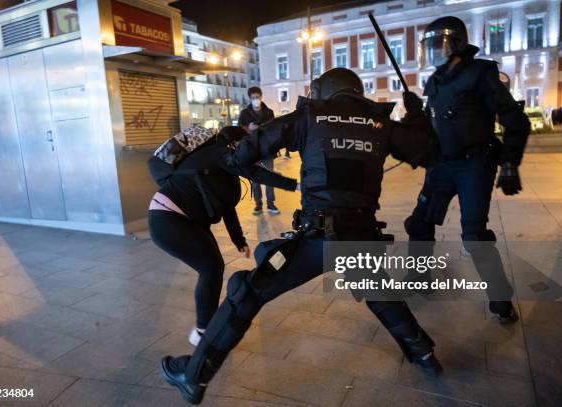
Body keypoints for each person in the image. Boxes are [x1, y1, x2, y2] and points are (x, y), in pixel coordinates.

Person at [160, 68, 442, 405]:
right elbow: (426, 150)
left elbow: (258, 143)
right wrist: (417, 113)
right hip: (361, 236)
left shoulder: (312, 116)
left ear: (326, 90)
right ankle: (424, 355)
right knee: (380, 293)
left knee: (245, 292)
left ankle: (194, 376)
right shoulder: (380, 123)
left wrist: (231, 154)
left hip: (318, 239)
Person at [406, 16, 530, 323]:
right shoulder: (433, 81)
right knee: (419, 224)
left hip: (475, 163)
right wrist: (414, 114)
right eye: (429, 45)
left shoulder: (481, 74)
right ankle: (419, 278)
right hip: (442, 165)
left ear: (456, 43)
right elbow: (431, 127)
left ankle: (500, 299)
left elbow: (516, 120)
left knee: (474, 236)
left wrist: (510, 162)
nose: (433, 50)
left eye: (438, 43)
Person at [148, 126, 297, 346]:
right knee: (211, 269)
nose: (251, 153)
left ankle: (205, 327)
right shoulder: (217, 154)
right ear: (235, 145)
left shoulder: (222, 166)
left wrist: (239, 241)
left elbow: (227, 207)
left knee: (213, 268)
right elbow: (256, 174)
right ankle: (202, 333)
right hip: (168, 219)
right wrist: (295, 185)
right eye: (247, 146)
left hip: (188, 221)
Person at [238, 86, 280, 215]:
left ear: (261, 97)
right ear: (250, 98)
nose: (256, 99)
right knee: (255, 179)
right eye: (253, 98)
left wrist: (265, 128)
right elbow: (239, 130)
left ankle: (271, 204)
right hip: (252, 150)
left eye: (257, 97)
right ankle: (258, 204)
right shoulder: (245, 113)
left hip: (267, 150)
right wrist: (248, 128)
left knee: (269, 177)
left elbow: (275, 129)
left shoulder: (269, 112)